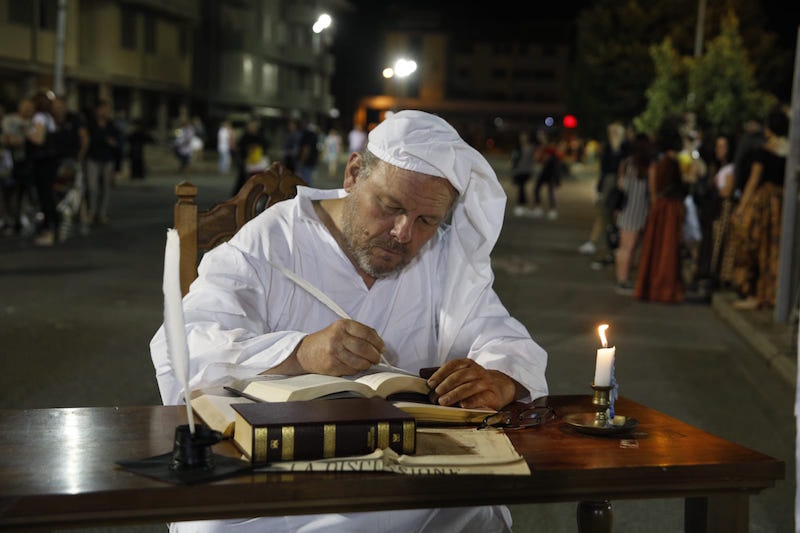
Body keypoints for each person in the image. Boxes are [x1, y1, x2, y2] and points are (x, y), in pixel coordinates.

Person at [149, 110, 548, 533]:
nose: (402, 233)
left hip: (402, 470)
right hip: (275, 474)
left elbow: (504, 339)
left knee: (475, 511)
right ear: (354, 173)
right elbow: (186, 342)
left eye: (426, 221)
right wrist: (300, 353)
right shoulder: (271, 240)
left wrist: (498, 378)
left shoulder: (445, 259)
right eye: (390, 206)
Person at [727, 106, 789, 310]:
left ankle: (753, 292)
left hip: (763, 205)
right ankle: (771, 294)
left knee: (752, 245)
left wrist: (741, 207)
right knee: (774, 250)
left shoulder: (762, 153)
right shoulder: (790, 154)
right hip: (783, 206)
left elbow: (753, 181)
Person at [634, 117, 686, 303]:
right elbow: (682, 184)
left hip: (659, 207)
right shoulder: (673, 161)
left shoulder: (659, 160)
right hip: (670, 208)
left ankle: (652, 287)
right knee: (667, 251)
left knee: (656, 249)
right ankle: (664, 288)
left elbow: (654, 188)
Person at [579, 122, 628, 258]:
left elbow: (621, 164)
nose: (613, 134)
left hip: (619, 183)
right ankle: (595, 243)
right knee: (604, 213)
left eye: (615, 131)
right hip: (608, 183)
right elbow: (604, 168)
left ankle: (613, 247)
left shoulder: (625, 148)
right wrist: (599, 188)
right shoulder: (608, 148)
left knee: (616, 216)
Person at [613, 132, 652, 294]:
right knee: (633, 248)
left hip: (628, 209)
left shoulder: (628, 163)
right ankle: (624, 279)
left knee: (625, 247)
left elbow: (621, 186)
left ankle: (622, 279)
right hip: (642, 210)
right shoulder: (649, 166)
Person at [27, 91, 60, 246]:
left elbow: (39, 140)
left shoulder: (39, 118)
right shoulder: (49, 118)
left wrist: (26, 132)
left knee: (45, 196)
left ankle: (48, 230)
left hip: (43, 163)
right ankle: (54, 228)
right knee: (49, 196)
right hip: (51, 162)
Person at [85, 99, 119, 226]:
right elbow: (90, 140)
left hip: (108, 159)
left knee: (106, 188)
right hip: (93, 158)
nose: (105, 112)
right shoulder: (91, 124)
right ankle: (91, 212)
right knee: (92, 187)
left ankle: (102, 214)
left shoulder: (111, 125)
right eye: (102, 109)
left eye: (106, 109)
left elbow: (117, 143)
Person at [531, 128, 564, 220]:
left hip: (552, 172)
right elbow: (538, 159)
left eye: (541, 135)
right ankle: (538, 208)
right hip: (544, 171)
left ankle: (553, 210)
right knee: (537, 188)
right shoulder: (541, 147)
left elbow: (559, 157)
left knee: (551, 191)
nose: (539, 137)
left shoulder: (552, 146)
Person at [233, 119, 269, 195]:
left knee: (257, 181)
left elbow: (266, 147)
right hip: (247, 162)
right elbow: (240, 149)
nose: (252, 128)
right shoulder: (245, 137)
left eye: (254, 127)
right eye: (251, 127)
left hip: (258, 164)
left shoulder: (260, 136)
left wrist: (256, 147)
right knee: (243, 180)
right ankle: (238, 195)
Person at [510, 131, 535, 217]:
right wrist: (513, 169)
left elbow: (532, 159)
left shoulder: (530, 148)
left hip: (526, 171)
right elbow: (514, 159)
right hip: (519, 170)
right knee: (521, 188)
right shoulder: (517, 148)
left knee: (522, 188)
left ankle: (522, 205)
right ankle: (522, 205)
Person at [296, 120, 320, 186]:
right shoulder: (314, 135)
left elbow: (306, 149)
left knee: (304, 183)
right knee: (308, 182)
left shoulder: (306, 135)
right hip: (312, 162)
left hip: (306, 163)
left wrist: (301, 161)